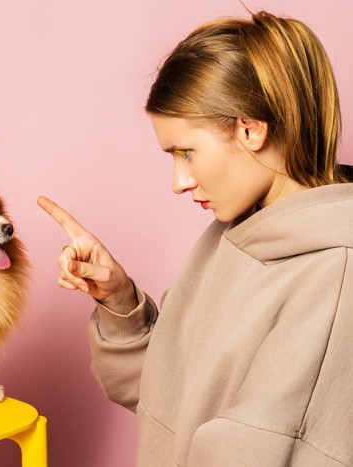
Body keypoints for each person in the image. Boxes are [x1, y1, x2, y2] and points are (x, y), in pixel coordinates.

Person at [38, 10, 353, 466]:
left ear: (250, 129)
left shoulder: (335, 274)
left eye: (187, 152)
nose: (178, 181)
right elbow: (170, 399)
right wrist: (120, 299)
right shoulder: (234, 234)